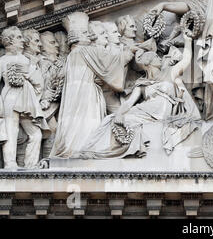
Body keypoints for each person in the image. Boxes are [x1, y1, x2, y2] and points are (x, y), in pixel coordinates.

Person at [76, 32, 201, 159]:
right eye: (156, 57)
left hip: (161, 112)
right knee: (111, 120)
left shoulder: (170, 72)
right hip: (145, 111)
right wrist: (119, 113)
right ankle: (94, 150)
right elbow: (129, 103)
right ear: (148, 63)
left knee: (122, 121)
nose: (160, 59)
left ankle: (103, 151)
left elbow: (185, 60)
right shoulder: (141, 83)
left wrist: (188, 41)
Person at [50, 12, 130, 158]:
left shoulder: (73, 54)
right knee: (88, 125)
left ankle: (76, 149)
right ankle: (84, 150)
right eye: (87, 33)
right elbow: (112, 63)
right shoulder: (84, 51)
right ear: (79, 35)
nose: (91, 37)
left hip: (79, 97)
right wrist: (131, 50)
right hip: (87, 97)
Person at [0, 27, 48, 169]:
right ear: (9, 41)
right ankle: (10, 164)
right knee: (11, 131)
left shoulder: (27, 60)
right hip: (9, 98)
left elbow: (38, 82)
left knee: (36, 134)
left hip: (27, 100)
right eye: (19, 38)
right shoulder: (2, 60)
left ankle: (31, 165)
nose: (23, 41)